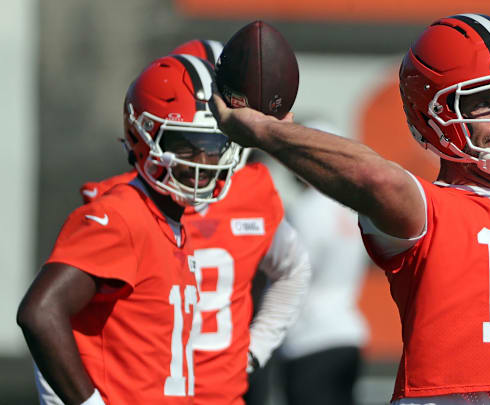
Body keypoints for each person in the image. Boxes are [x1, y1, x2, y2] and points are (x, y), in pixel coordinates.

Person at [211, 13, 490, 405]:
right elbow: (375, 178)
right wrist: (263, 130)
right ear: (430, 116)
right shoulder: (428, 209)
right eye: (483, 101)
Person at [70, 39, 312, 405]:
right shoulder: (123, 202)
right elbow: (56, 316)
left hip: (222, 393)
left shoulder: (253, 190)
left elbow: (293, 270)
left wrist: (254, 350)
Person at [17, 54, 241, 404]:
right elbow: (40, 313)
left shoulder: (174, 221)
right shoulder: (122, 216)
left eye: (213, 146)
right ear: (144, 137)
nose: (202, 162)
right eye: (185, 145)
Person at [273, 120, 369, 405]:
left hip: (308, 338)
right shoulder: (355, 209)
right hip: (348, 332)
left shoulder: (306, 210)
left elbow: (289, 275)